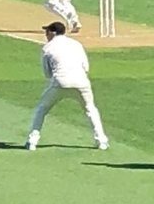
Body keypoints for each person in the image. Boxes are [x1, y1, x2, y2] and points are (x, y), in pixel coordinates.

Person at [25, 21, 108, 151]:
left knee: (42, 109)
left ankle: (32, 141)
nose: (45, 34)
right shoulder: (76, 44)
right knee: (90, 109)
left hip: (60, 82)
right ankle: (102, 141)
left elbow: (47, 74)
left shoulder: (47, 48)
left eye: (47, 32)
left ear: (52, 33)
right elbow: (86, 67)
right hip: (82, 82)